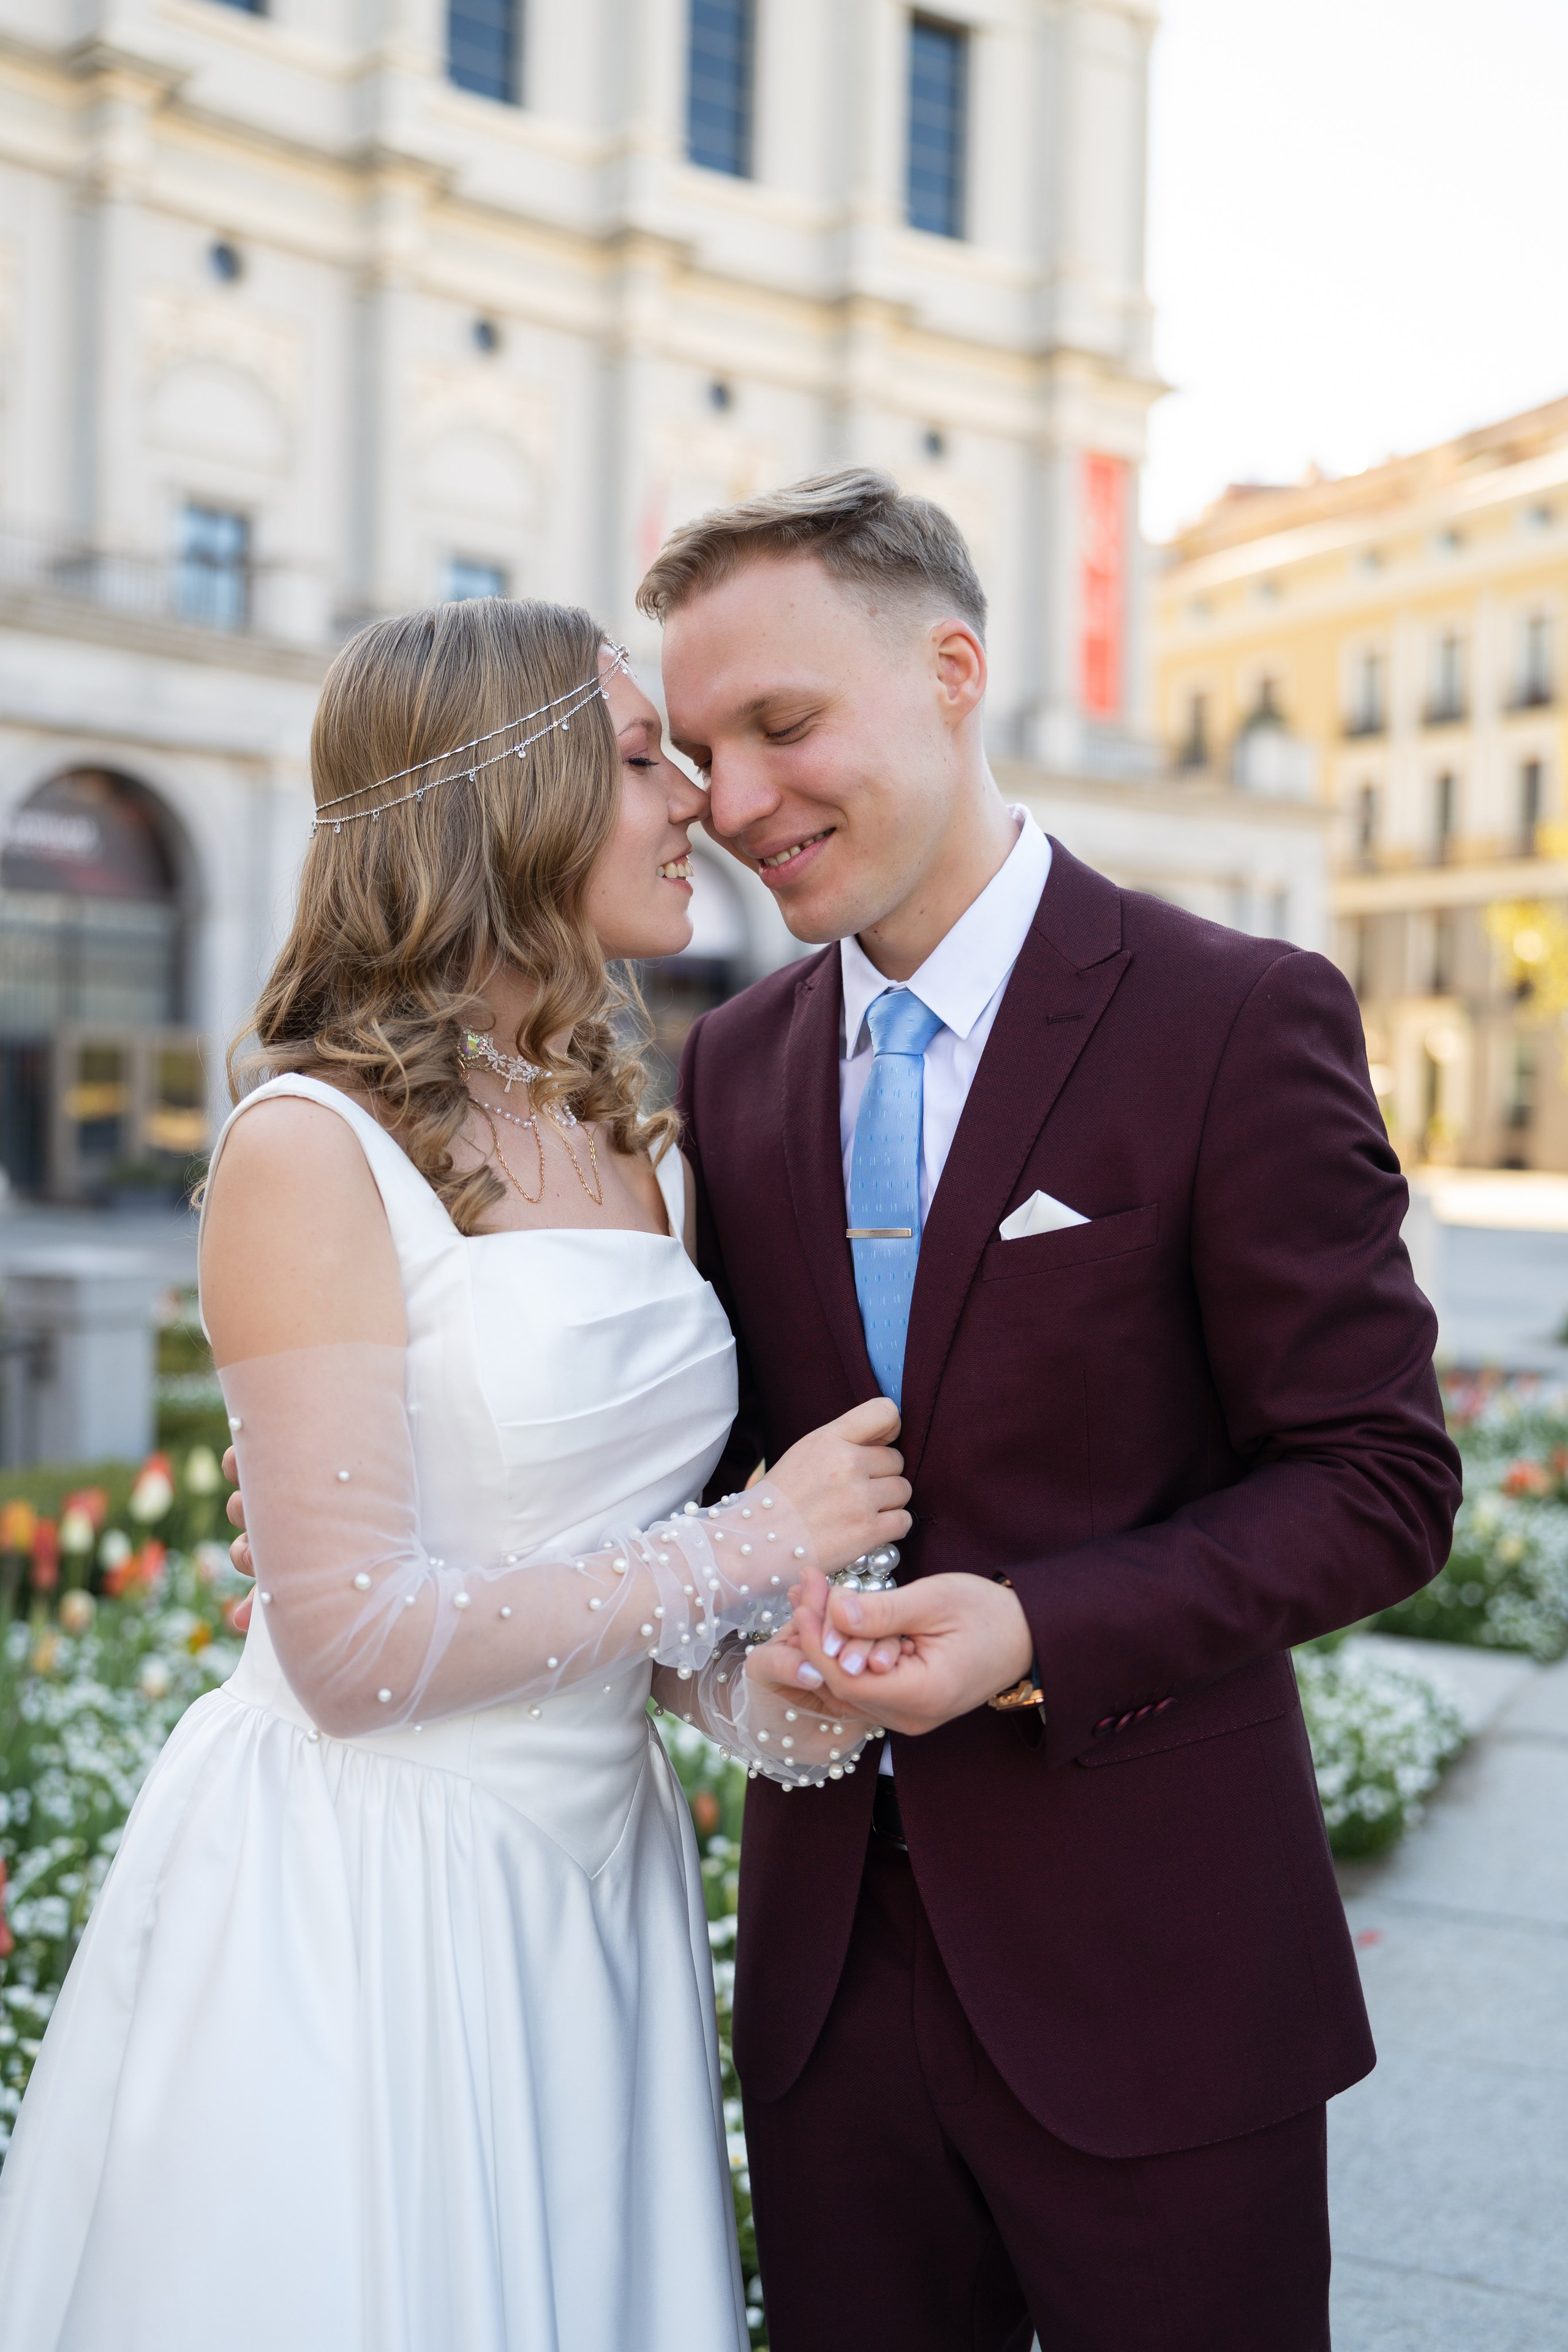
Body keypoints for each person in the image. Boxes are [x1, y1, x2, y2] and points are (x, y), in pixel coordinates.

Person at [0, 596, 911, 2352]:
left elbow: (638, 1608)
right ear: (508, 798)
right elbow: (352, 1651)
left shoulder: (638, 1142)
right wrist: (754, 1538)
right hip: (373, 1887)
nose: (698, 801)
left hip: (596, 1880)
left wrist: (790, 1684)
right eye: (642, 759)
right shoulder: (309, 1147)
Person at [639, 470, 1463, 2352]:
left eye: (782, 724)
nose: (735, 801)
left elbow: (1380, 1480)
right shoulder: (733, 1063)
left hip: (1159, 1977)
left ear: (953, 672)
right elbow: (727, 1473)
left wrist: (1037, 1632)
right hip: (831, 1999)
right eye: (699, 751)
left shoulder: (1234, 1015)